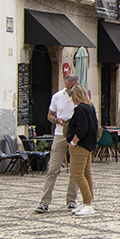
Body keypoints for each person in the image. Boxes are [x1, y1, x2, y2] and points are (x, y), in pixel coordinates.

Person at [34, 73, 80, 213]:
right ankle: (44, 202)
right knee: (53, 168)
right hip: (60, 135)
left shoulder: (80, 97)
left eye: (71, 87)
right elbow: (50, 115)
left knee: (75, 170)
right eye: (67, 87)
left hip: (75, 136)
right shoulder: (57, 96)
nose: (69, 90)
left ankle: (71, 200)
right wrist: (56, 120)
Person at [65, 84, 98, 216]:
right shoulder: (90, 107)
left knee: (77, 174)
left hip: (80, 146)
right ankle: (87, 202)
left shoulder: (80, 109)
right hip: (89, 145)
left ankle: (88, 204)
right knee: (86, 173)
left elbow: (82, 128)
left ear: (75, 95)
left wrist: (73, 142)